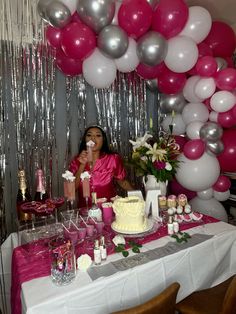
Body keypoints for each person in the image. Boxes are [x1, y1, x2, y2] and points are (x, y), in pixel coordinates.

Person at [69, 125, 134, 207]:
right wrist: (82, 164)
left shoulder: (113, 159)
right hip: (85, 213)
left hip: (108, 211)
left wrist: (139, 197)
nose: (93, 138)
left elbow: (123, 183)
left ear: (103, 140)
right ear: (85, 140)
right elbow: (71, 190)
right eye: (89, 135)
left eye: (98, 135)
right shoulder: (76, 161)